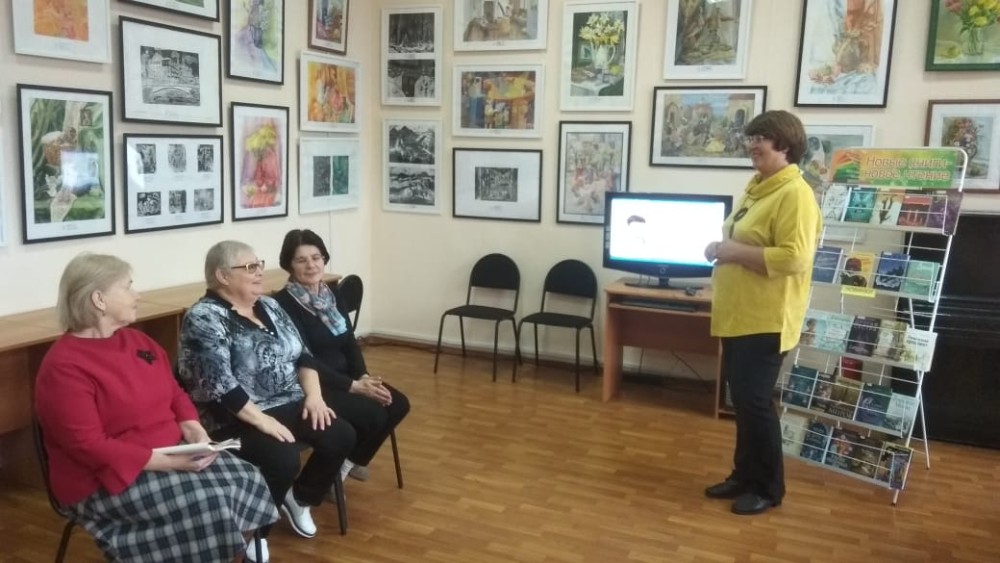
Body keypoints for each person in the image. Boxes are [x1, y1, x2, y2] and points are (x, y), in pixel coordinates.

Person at [34, 253, 277, 562]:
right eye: (127, 286)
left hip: (170, 450)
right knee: (208, 504)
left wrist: (192, 426)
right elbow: (88, 445)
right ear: (99, 299)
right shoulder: (64, 366)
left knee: (248, 478)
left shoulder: (139, 341)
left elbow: (173, 392)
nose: (137, 295)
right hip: (104, 477)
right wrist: (166, 462)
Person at [178, 241, 357, 548]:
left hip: (286, 401)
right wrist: (263, 421)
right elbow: (219, 384)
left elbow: (304, 355)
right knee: (283, 460)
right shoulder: (204, 317)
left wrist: (314, 397)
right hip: (233, 417)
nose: (260, 272)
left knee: (341, 435)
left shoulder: (270, 305)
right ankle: (254, 532)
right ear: (222, 276)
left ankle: (299, 497)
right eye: (250, 267)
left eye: (258, 264)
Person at [703, 110, 821, 515]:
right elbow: (744, 239)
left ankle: (769, 488)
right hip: (739, 315)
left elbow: (795, 258)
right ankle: (743, 476)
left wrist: (734, 251)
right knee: (743, 402)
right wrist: (720, 248)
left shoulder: (795, 194)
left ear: (785, 145)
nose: (752, 146)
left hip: (766, 318)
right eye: (750, 138)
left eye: (761, 139)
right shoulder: (758, 188)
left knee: (755, 404)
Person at [273, 229, 410, 485]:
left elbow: (349, 341)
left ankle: (346, 465)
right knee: (374, 415)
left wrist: (363, 376)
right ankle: (328, 476)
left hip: (347, 377)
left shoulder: (331, 294)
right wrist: (353, 386)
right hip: (313, 385)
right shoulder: (283, 304)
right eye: (301, 260)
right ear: (289, 266)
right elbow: (304, 358)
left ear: (324, 258)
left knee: (398, 403)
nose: (311, 265)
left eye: (316, 257)